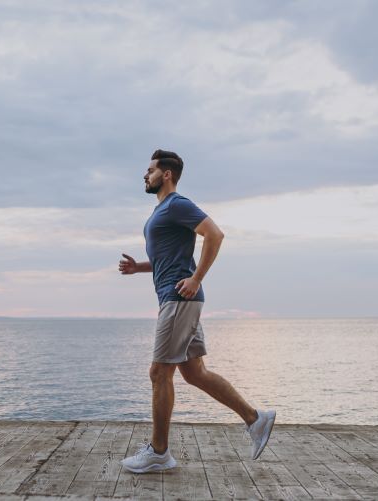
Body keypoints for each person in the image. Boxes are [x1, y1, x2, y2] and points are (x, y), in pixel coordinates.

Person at [118, 149, 276, 473]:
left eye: (150, 170)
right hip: (175, 299)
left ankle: (159, 452)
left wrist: (196, 278)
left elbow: (214, 234)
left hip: (179, 300)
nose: (145, 175)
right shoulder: (162, 211)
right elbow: (168, 260)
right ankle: (255, 419)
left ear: (167, 175)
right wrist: (139, 268)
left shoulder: (177, 204)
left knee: (159, 373)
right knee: (194, 373)